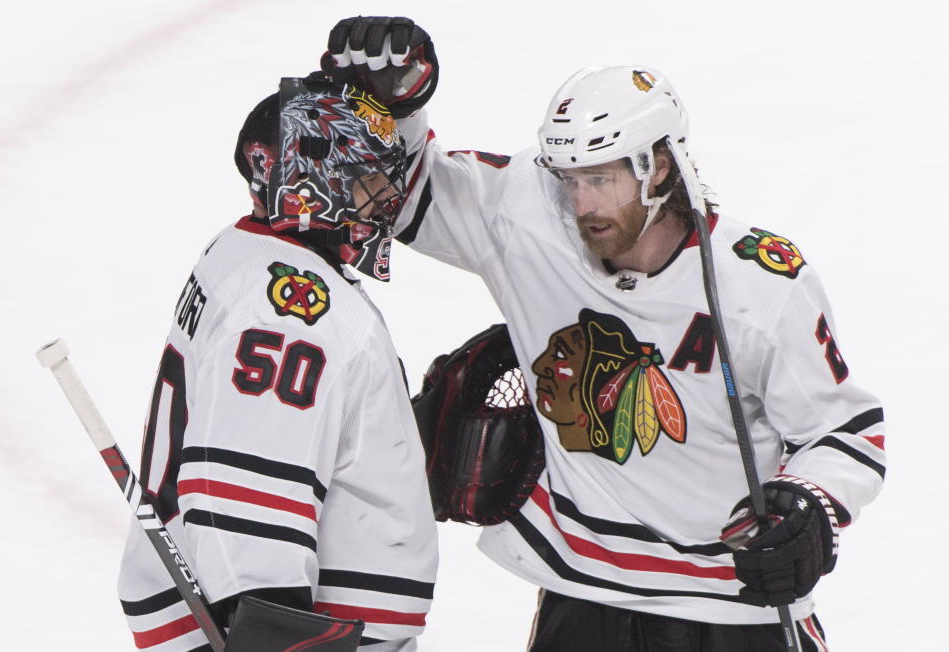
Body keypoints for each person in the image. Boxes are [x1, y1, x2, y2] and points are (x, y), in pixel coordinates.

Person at [320, 18, 886, 651]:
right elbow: (405, 193)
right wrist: (392, 107)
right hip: (583, 596)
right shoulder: (531, 217)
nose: (582, 203)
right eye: (570, 179)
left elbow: (845, 430)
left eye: (600, 179)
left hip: (732, 612)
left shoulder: (758, 282)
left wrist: (810, 507)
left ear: (660, 165)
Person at [116, 75, 438, 652]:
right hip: (284, 636)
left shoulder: (244, 254)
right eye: (366, 180)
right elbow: (248, 518)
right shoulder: (291, 311)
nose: (386, 198)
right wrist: (275, 634)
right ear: (311, 185)